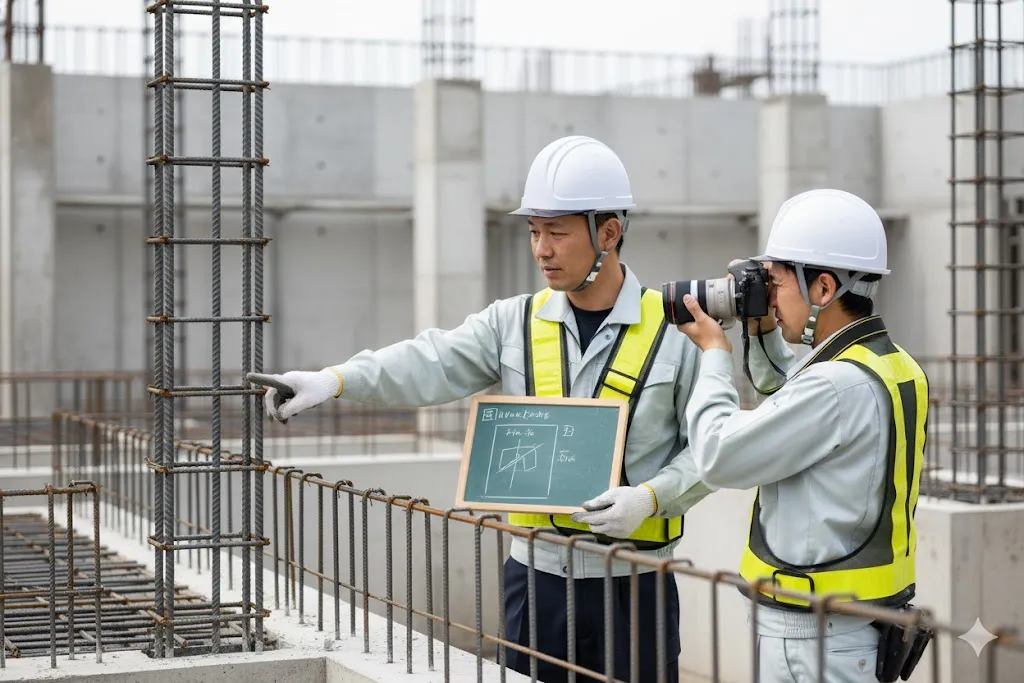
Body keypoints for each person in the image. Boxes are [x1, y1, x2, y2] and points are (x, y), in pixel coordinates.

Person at [248, 135, 713, 682]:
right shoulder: (512, 321)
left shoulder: (682, 332)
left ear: (609, 232)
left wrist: (651, 498)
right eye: (535, 232)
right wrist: (335, 380)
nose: (541, 249)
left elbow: (711, 450)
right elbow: (428, 362)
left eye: (557, 233)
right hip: (534, 582)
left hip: (636, 586)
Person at [674, 188, 931, 683]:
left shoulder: (836, 386)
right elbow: (791, 395)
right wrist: (762, 328)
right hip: (853, 624)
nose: (770, 296)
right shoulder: (891, 364)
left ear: (823, 288)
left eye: (776, 283)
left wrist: (713, 353)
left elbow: (716, 455)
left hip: (812, 637)